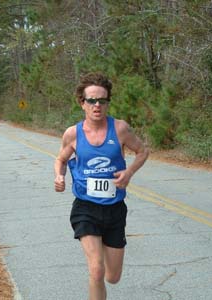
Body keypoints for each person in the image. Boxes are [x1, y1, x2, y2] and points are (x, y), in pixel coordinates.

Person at [54, 72, 149, 300]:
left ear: (107, 102)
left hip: (115, 209)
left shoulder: (120, 129)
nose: (97, 105)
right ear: (82, 103)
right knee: (96, 270)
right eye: (91, 101)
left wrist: (129, 172)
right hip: (85, 209)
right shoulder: (73, 134)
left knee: (112, 277)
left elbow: (143, 151)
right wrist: (59, 176)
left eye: (102, 101)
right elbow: (61, 159)